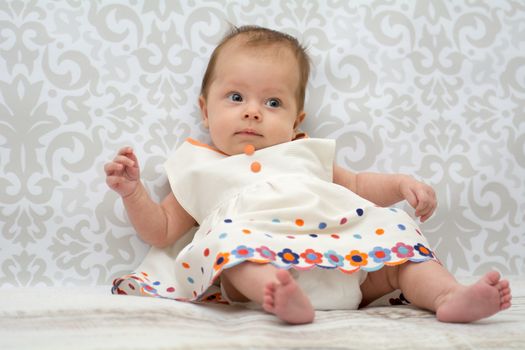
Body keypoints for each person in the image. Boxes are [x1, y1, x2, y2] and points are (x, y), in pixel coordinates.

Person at [105, 25, 511, 325]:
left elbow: (356, 186)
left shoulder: (303, 151)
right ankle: (281, 297)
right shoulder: (197, 167)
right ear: (205, 110)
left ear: (296, 121)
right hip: (260, 256)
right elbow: (160, 230)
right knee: (229, 247)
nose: (252, 110)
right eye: (235, 97)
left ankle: (447, 295)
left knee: (398, 237)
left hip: (346, 259)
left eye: (273, 101)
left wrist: (401, 185)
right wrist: (133, 192)